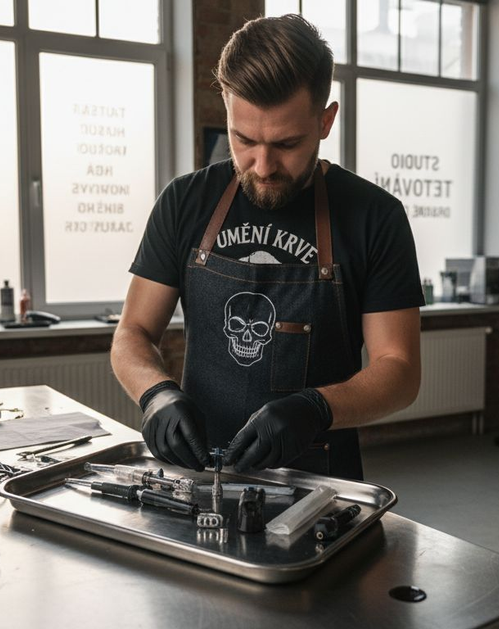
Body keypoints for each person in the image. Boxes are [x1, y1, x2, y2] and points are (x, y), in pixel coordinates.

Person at [111, 14, 423, 481]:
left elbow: (399, 370)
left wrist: (317, 407)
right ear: (227, 108)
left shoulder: (375, 217)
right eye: (244, 139)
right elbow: (132, 332)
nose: (261, 165)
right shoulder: (185, 202)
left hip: (320, 480)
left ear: (325, 120)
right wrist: (155, 392)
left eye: (286, 143)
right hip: (199, 472)